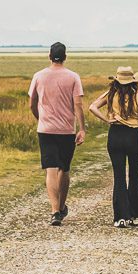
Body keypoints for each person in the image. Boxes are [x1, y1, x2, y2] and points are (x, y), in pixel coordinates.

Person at [89, 66, 138, 228]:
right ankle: (136, 216)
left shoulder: (110, 95)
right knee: (134, 176)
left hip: (115, 136)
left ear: (117, 81)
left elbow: (92, 107)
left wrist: (107, 120)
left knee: (119, 176)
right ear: (132, 82)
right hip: (133, 137)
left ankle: (120, 217)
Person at [28, 42, 86, 226]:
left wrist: (40, 118)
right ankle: (60, 208)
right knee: (64, 169)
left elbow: (32, 103)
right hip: (66, 130)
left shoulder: (38, 76)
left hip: (45, 129)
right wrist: (82, 128)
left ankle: (54, 211)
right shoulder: (73, 77)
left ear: (49, 56)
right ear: (65, 56)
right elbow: (78, 105)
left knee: (50, 169)